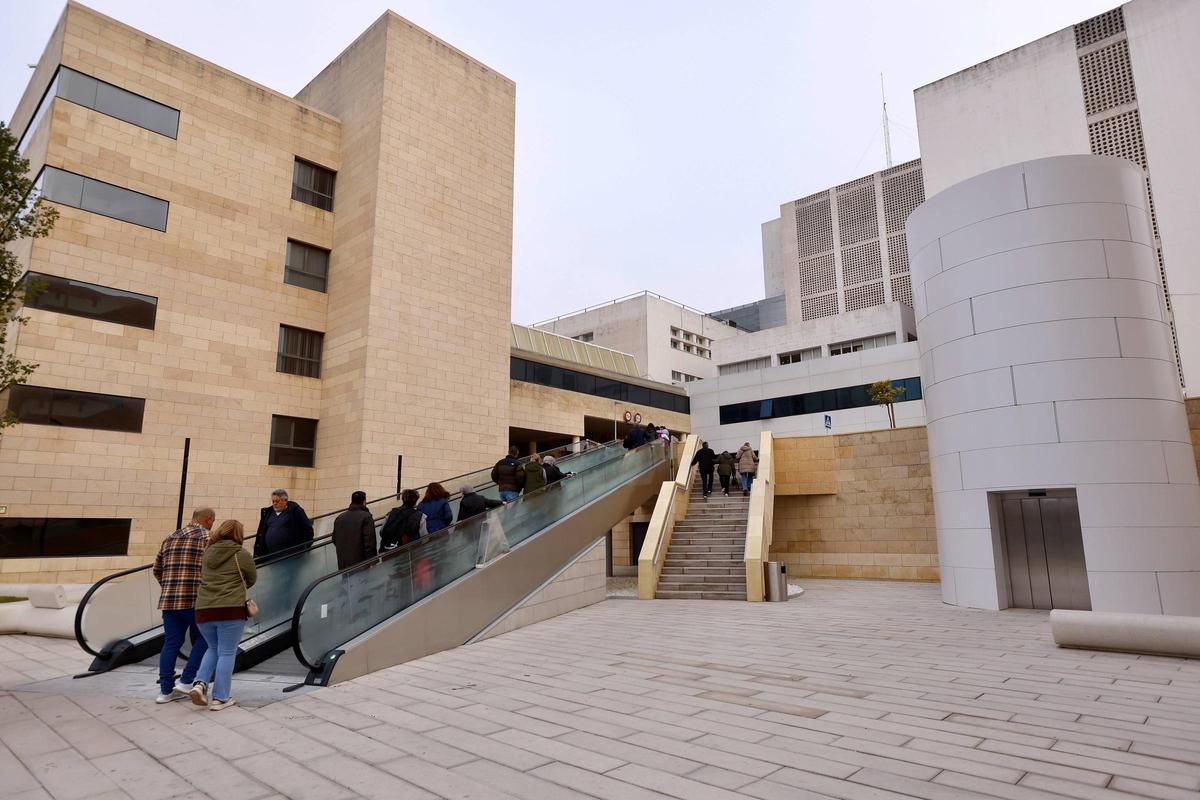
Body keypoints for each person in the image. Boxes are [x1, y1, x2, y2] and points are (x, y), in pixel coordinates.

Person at [189, 519, 255, 711]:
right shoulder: (241, 554)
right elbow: (252, 577)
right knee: (227, 652)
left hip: (203, 610)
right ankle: (221, 698)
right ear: (238, 534)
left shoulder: (207, 553)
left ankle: (200, 684)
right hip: (230, 609)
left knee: (212, 648)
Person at [151, 507, 213, 703]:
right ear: (208, 520)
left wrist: (169, 586)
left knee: (171, 643)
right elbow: (213, 569)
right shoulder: (207, 537)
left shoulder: (170, 536)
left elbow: (156, 569)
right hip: (196, 600)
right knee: (206, 639)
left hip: (169, 600)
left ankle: (165, 691)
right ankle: (187, 680)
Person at [253, 489, 313, 559]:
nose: (274, 503)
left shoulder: (295, 511)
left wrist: (302, 549)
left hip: (290, 557)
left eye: (277, 501)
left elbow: (308, 530)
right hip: (271, 557)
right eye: (273, 501)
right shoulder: (268, 513)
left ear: (285, 501)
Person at [332, 491, 376, 570]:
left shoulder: (339, 518)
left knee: (346, 582)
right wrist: (372, 561)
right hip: (361, 564)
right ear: (364, 501)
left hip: (343, 564)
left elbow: (334, 539)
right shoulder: (366, 517)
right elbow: (369, 542)